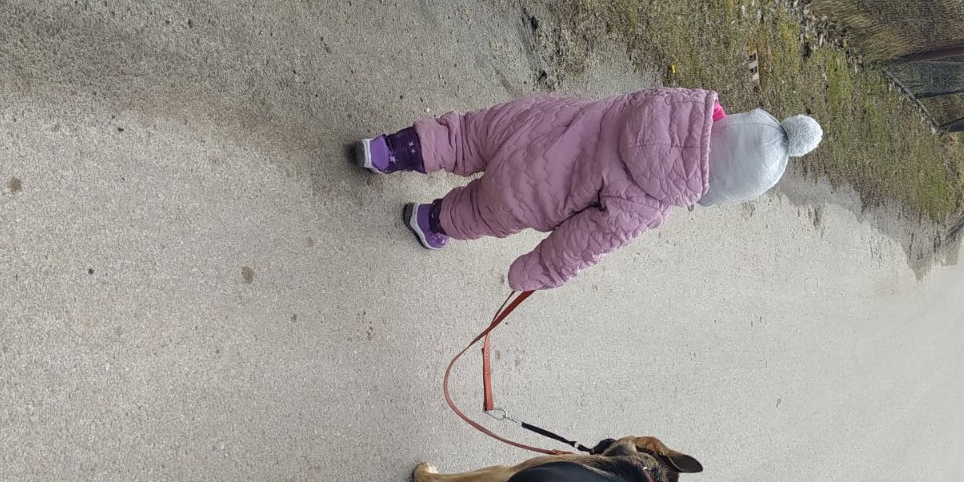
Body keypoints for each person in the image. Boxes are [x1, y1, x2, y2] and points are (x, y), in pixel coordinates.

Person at [352, 88, 822, 291]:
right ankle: (427, 221)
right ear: (720, 190)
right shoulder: (650, 202)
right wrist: (536, 272)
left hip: (535, 121)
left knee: (462, 136)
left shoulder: (670, 102)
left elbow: (692, 130)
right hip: (533, 193)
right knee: (476, 210)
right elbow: (583, 242)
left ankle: (384, 151)